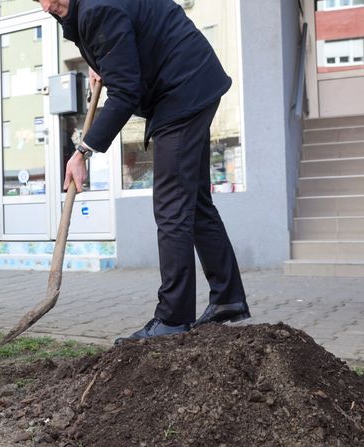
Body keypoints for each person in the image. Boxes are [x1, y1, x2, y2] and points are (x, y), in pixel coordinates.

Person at [35, 0, 249, 340]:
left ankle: (173, 318)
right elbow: (124, 46)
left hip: (181, 90)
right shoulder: (85, 12)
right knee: (193, 203)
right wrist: (100, 62)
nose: (45, 7)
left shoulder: (96, 10)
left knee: (171, 207)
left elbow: (125, 91)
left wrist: (83, 150)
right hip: (193, 81)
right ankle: (227, 298)